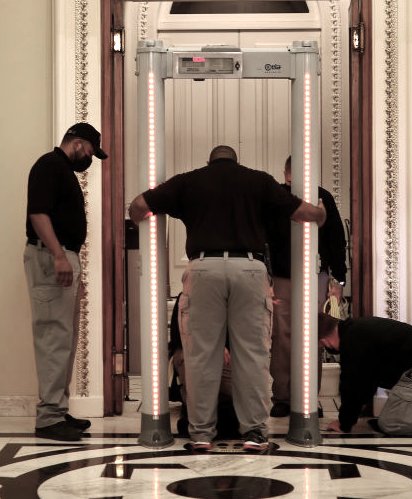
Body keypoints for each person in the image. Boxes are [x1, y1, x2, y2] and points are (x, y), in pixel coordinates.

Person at [129, 145, 326, 451]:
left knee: (200, 356)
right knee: (253, 355)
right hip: (249, 268)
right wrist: (322, 212)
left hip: (203, 269)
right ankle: (255, 434)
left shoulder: (189, 181)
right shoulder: (257, 181)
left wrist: (147, 216)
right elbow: (304, 213)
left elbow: (138, 206)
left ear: (209, 161)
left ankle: (202, 435)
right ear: (237, 161)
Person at [24, 122, 108, 441]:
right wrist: (59, 256)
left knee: (66, 338)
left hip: (61, 256)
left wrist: (72, 265)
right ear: (76, 143)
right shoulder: (49, 166)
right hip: (50, 256)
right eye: (89, 151)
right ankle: (48, 418)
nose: (89, 158)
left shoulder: (61, 170)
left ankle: (57, 409)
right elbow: (39, 214)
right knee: (53, 336)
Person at [267, 155, 347, 418]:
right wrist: (338, 280)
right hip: (298, 276)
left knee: (301, 337)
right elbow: (337, 242)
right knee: (296, 337)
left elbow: (336, 240)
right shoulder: (283, 197)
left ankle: (297, 397)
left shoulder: (316, 197)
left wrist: (338, 280)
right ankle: (294, 397)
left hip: (301, 276)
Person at [169, 293, 239, 440]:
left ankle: (206, 413)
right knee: (194, 367)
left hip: (225, 357)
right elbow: (178, 337)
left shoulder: (232, 296)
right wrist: (213, 347)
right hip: (193, 353)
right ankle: (199, 411)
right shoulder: (186, 298)